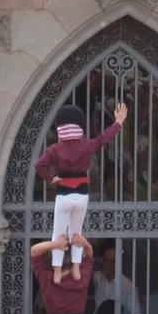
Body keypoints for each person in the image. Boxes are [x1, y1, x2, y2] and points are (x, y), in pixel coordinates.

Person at [34, 101, 127, 278]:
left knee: (59, 233)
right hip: (82, 194)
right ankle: (76, 267)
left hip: (64, 194)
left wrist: (50, 179)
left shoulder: (54, 149)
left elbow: (39, 166)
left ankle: (57, 270)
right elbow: (103, 139)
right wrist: (118, 122)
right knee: (77, 232)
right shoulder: (86, 146)